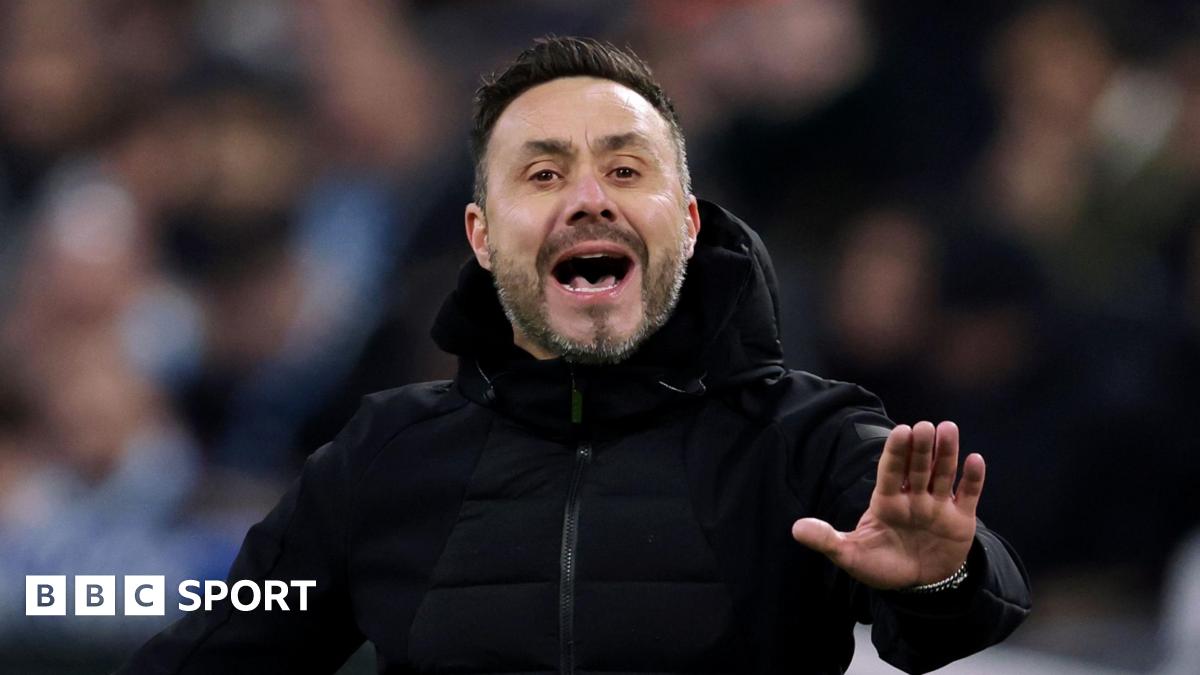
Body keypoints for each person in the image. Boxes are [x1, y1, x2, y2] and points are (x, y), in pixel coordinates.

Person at [119, 36, 1031, 674]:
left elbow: (961, 615)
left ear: (688, 223)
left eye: (626, 170)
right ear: (481, 236)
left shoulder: (805, 435)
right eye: (543, 173)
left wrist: (942, 577)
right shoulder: (381, 457)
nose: (589, 198)